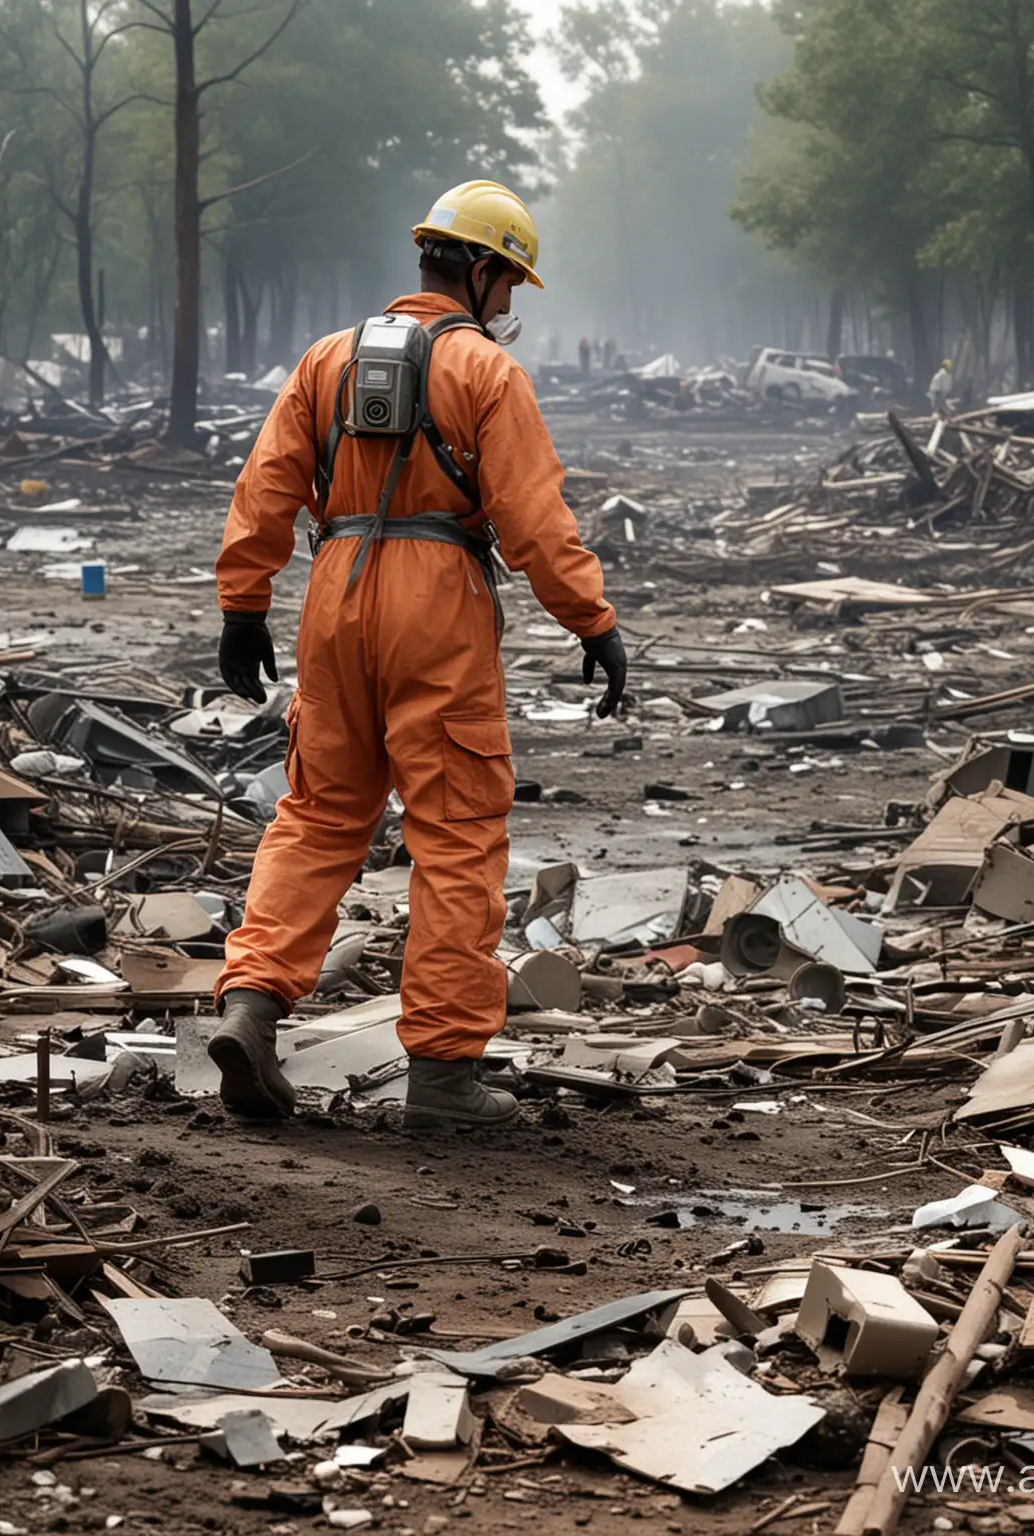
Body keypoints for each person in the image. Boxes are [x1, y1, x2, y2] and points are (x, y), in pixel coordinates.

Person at [210, 179, 626, 1131]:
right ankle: (443, 1078)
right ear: (479, 270)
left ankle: (251, 1006)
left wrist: (244, 606)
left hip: (335, 590)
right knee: (455, 832)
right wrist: (592, 624)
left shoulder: (327, 359)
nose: (511, 304)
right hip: (436, 601)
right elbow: (532, 521)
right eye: (509, 283)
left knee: (316, 815)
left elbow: (266, 487)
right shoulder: (486, 373)